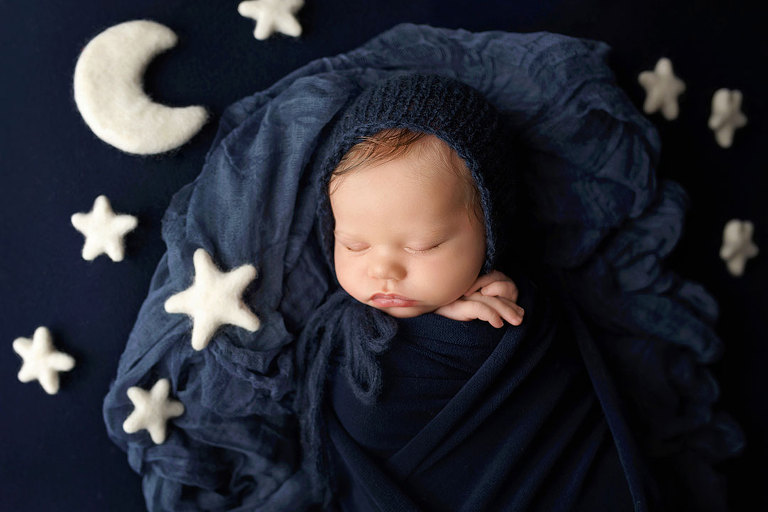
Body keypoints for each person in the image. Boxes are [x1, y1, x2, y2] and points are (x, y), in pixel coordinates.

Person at [102, 24, 742, 512]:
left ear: (490, 229)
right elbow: (354, 421)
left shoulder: (530, 320)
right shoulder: (332, 334)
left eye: (426, 245)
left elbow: (562, 429)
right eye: (353, 245)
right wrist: (425, 335)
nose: (385, 270)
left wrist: (471, 338)